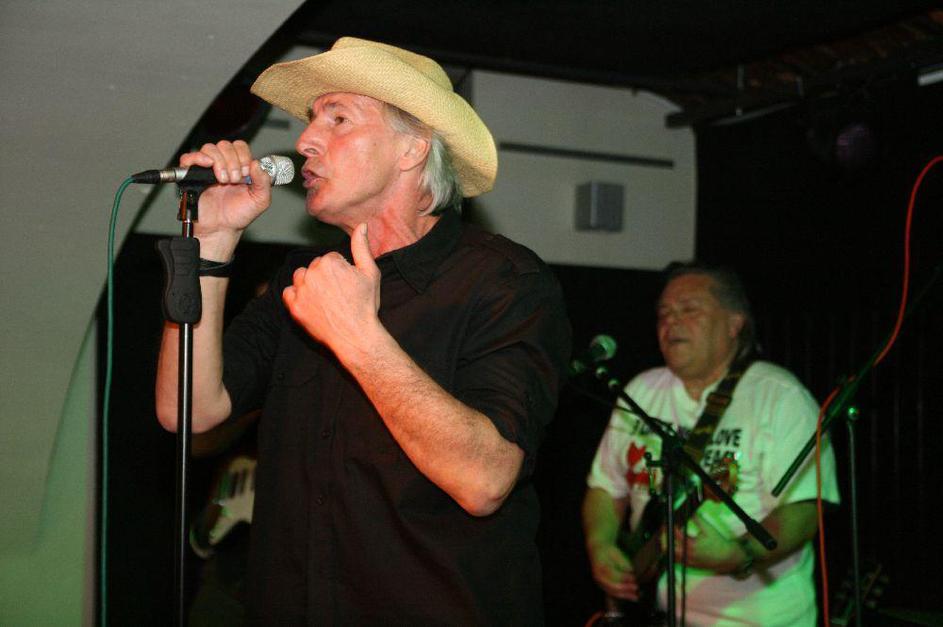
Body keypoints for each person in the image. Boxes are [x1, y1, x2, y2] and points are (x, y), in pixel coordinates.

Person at [155, 37, 571, 625]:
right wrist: (213, 242)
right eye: (311, 119)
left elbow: (485, 479)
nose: (305, 140)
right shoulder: (301, 278)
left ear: (411, 149)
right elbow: (188, 411)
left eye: (338, 118)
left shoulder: (502, 281)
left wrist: (358, 337)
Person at [582, 262, 839, 626]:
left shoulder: (781, 397)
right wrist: (601, 545)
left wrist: (739, 553)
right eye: (664, 313)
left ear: (735, 324)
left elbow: (804, 509)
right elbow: (605, 487)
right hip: (652, 613)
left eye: (689, 309)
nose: (671, 322)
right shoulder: (640, 391)